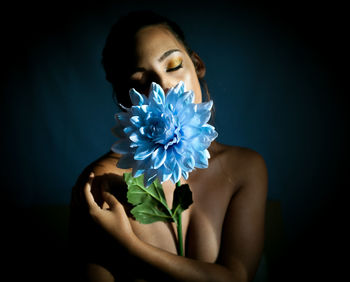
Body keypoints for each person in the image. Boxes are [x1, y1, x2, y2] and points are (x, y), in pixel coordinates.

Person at [69, 10, 268, 282]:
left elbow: (237, 278)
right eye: (140, 82)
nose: (164, 86)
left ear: (196, 64)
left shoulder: (245, 168)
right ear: (125, 98)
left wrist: (128, 245)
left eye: (173, 65)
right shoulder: (102, 183)